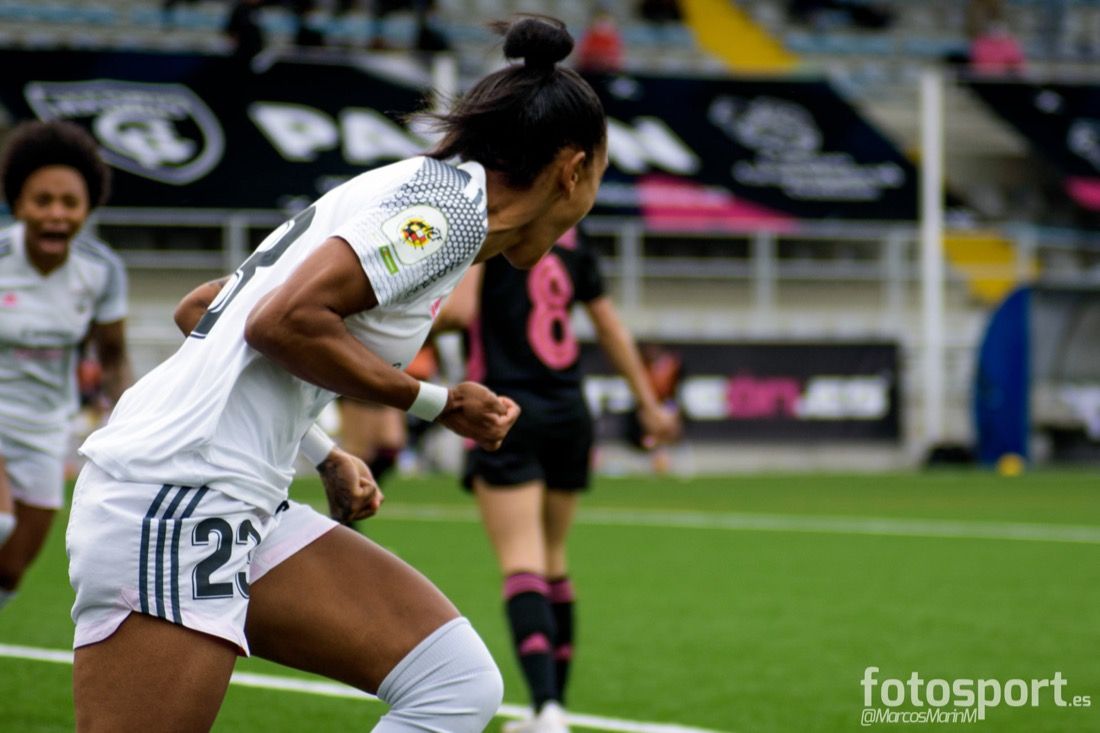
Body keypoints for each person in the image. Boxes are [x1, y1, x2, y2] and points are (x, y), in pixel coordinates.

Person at [67, 14, 608, 733]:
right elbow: (279, 322)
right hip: (180, 493)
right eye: (599, 177)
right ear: (573, 169)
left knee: (454, 682)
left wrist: (323, 452)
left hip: (234, 495)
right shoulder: (448, 212)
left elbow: (206, 307)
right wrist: (436, 402)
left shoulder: (426, 195)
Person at [433, 227, 679, 732]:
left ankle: (545, 709)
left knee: (521, 560)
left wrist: (380, 324)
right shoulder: (574, 239)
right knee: (554, 560)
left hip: (506, 407)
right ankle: (552, 709)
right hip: (570, 412)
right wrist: (649, 405)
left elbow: (460, 312)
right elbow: (610, 328)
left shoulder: (497, 226)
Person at [0, 120, 132, 612]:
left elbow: (113, 358)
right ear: (17, 205)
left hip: (44, 429)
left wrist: (134, 423)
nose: (56, 214)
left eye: (69, 203)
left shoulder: (102, 270)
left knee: (10, 569)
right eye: (42, 201)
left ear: (88, 208)